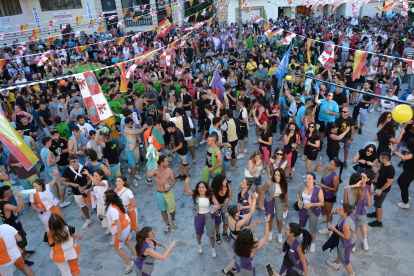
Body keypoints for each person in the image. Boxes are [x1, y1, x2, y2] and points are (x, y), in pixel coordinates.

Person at [221, 193, 260, 276]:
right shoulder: (237, 223)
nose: (240, 210)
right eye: (238, 210)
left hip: (231, 238)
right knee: (237, 259)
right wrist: (254, 199)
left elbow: (226, 214)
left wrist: (252, 225)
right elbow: (251, 213)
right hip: (236, 242)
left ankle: (235, 268)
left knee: (237, 257)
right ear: (235, 214)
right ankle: (225, 271)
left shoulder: (229, 216)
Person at [184, 177, 220, 258]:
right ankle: (199, 245)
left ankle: (213, 248)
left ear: (206, 189)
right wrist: (186, 183)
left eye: (203, 187)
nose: (201, 189)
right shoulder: (195, 194)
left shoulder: (211, 196)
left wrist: (216, 207)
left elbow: (218, 205)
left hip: (209, 216)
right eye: (199, 187)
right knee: (198, 233)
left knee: (211, 234)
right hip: (198, 216)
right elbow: (187, 190)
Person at [103, 190, 137, 274]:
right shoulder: (117, 203)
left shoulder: (112, 210)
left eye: (104, 197)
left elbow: (118, 223)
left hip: (121, 228)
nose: (102, 198)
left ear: (109, 199)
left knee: (118, 248)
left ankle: (129, 263)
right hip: (126, 224)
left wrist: (118, 236)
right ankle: (135, 253)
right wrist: (106, 216)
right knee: (126, 240)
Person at [0, 186, 35, 266]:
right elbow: (18, 210)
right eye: (10, 191)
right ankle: (23, 260)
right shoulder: (5, 205)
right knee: (21, 243)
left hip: (13, 226)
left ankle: (24, 252)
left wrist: (18, 205)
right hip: (15, 228)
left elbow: (15, 208)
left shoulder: (2, 202)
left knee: (20, 243)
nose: (12, 192)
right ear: (7, 194)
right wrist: (20, 197)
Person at [61, 155, 94, 230]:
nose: (73, 163)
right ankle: (88, 219)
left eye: (74, 161)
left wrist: (85, 186)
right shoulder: (67, 170)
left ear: (77, 160)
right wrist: (71, 184)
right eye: (71, 162)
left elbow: (90, 178)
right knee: (83, 206)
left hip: (87, 190)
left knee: (94, 205)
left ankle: (101, 219)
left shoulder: (84, 168)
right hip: (76, 192)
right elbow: (62, 182)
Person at [147, 155, 177, 233]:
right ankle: (167, 224)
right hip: (159, 193)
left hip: (168, 193)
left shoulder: (169, 170)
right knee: (163, 210)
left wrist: (170, 186)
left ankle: (173, 219)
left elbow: (173, 180)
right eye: (166, 161)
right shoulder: (155, 171)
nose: (168, 162)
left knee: (172, 210)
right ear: (161, 163)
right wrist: (149, 165)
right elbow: (148, 175)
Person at [259, 168, 288, 243]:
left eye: (279, 175)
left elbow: (285, 194)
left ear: (282, 176)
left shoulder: (285, 183)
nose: (277, 177)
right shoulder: (269, 182)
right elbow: (262, 190)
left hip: (279, 201)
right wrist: (260, 202)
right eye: (275, 175)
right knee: (270, 218)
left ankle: (279, 234)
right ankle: (270, 232)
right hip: (269, 200)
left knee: (279, 220)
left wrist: (285, 205)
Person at [296, 173, 324, 253]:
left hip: (313, 211)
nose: (307, 180)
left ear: (313, 180)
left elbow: (322, 203)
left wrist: (312, 204)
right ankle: (303, 238)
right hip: (303, 209)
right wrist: (299, 201)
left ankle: (313, 243)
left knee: (312, 229)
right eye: (306, 178)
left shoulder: (318, 189)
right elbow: (298, 194)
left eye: (309, 179)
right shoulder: (302, 185)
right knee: (301, 226)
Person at [326, 204, 357, 276]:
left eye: (340, 210)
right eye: (338, 208)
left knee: (345, 260)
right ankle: (336, 264)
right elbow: (341, 211)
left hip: (347, 243)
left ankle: (351, 274)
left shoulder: (345, 224)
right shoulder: (350, 214)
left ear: (345, 212)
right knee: (340, 252)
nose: (338, 210)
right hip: (351, 240)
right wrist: (336, 210)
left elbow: (346, 237)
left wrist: (334, 229)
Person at [314, 158, 343, 235]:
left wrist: (324, 186)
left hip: (330, 196)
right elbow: (316, 170)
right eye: (329, 163)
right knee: (321, 205)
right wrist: (318, 164)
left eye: (331, 165)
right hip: (323, 192)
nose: (329, 165)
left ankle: (329, 228)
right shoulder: (328, 168)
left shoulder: (335, 177)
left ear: (336, 167)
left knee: (328, 212)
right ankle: (323, 217)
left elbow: (335, 189)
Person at [343, 173, 371, 252]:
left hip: (351, 213)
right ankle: (354, 245)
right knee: (357, 229)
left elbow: (345, 203)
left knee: (349, 228)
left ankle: (347, 242)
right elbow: (369, 204)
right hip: (361, 213)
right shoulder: (365, 191)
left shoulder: (348, 190)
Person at [367, 152, 395, 228]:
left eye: (380, 158)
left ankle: (378, 222)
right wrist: (375, 179)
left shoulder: (391, 170)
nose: (379, 159)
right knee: (376, 201)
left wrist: (380, 190)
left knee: (378, 205)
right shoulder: (383, 164)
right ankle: (375, 213)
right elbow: (379, 171)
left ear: (384, 159)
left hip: (383, 190)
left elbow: (389, 183)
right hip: (378, 185)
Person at [390, 138, 414, 209]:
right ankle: (405, 196)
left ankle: (405, 203)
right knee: (400, 181)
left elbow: (404, 157)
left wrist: (394, 150)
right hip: (408, 171)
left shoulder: (412, 153)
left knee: (404, 185)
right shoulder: (412, 151)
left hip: (410, 172)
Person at [84, 169, 111, 233]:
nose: (94, 177)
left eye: (96, 176)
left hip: (106, 202)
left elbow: (98, 183)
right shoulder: (94, 182)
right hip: (99, 201)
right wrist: (88, 190)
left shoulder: (105, 182)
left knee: (105, 218)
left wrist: (88, 175)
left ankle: (112, 230)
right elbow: (93, 188)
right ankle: (109, 227)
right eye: (94, 175)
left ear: (101, 176)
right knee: (100, 216)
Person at [123, 117, 148, 187]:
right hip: (129, 151)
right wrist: (144, 127)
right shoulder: (125, 131)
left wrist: (139, 139)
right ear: (127, 124)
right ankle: (134, 179)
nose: (132, 124)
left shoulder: (132, 127)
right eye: (131, 123)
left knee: (136, 163)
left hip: (136, 149)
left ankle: (135, 174)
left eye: (133, 123)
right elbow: (137, 132)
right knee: (133, 166)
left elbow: (136, 135)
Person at [115, 176, 140, 240]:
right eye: (117, 181)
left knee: (134, 226)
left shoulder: (127, 191)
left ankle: (142, 238)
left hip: (131, 211)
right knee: (127, 224)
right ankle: (130, 233)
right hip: (123, 210)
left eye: (119, 181)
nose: (117, 183)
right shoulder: (116, 190)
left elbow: (133, 203)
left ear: (124, 182)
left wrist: (126, 210)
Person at [211, 174, 232, 244]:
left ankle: (225, 233)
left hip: (226, 207)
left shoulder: (228, 186)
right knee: (218, 223)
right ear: (220, 182)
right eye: (225, 180)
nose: (227, 181)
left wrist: (228, 200)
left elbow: (230, 196)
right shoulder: (213, 189)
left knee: (226, 222)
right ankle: (217, 235)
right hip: (217, 209)